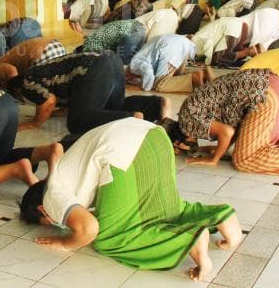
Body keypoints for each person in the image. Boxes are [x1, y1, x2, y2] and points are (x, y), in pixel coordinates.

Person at [19, 118, 241, 281]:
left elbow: (88, 229)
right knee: (164, 210)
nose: (58, 225)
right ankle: (222, 217)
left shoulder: (51, 197)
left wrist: (65, 243)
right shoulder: (64, 175)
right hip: (156, 137)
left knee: (109, 237)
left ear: (42, 209)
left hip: (121, 154)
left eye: (49, 223)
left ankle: (189, 239)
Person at [173, 69, 279, 176]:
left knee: (244, 159)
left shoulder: (187, 121)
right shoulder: (192, 108)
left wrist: (214, 159)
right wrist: (218, 148)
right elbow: (234, 127)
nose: (189, 150)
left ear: (180, 140)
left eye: (182, 148)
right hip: (273, 85)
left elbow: (227, 132)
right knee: (271, 141)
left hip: (262, 95)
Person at [10, 51, 168, 133]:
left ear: (16, 90)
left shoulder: (25, 81)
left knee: (77, 121)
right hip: (112, 60)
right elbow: (69, 94)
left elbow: (48, 101)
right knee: (111, 108)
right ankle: (156, 106)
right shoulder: (38, 72)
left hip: (95, 67)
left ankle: (131, 118)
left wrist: (34, 123)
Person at [128, 34, 210, 93]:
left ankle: (192, 78)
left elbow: (148, 73)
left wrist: (145, 89)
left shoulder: (134, 64)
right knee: (176, 76)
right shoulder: (141, 55)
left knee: (160, 84)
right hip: (182, 43)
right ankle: (205, 75)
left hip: (170, 49)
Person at [0, 37, 66, 84]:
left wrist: (11, 88)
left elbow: (12, 72)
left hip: (42, 53)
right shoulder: (11, 57)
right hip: (56, 45)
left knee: (40, 86)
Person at [190, 17, 260, 67]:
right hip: (195, 49)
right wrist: (246, 52)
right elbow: (218, 59)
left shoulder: (238, 23)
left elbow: (235, 49)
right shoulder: (234, 32)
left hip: (197, 45)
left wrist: (245, 52)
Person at [79, 19, 146, 64]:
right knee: (131, 60)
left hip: (130, 32)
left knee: (119, 63)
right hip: (137, 26)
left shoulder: (89, 46)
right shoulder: (92, 40)